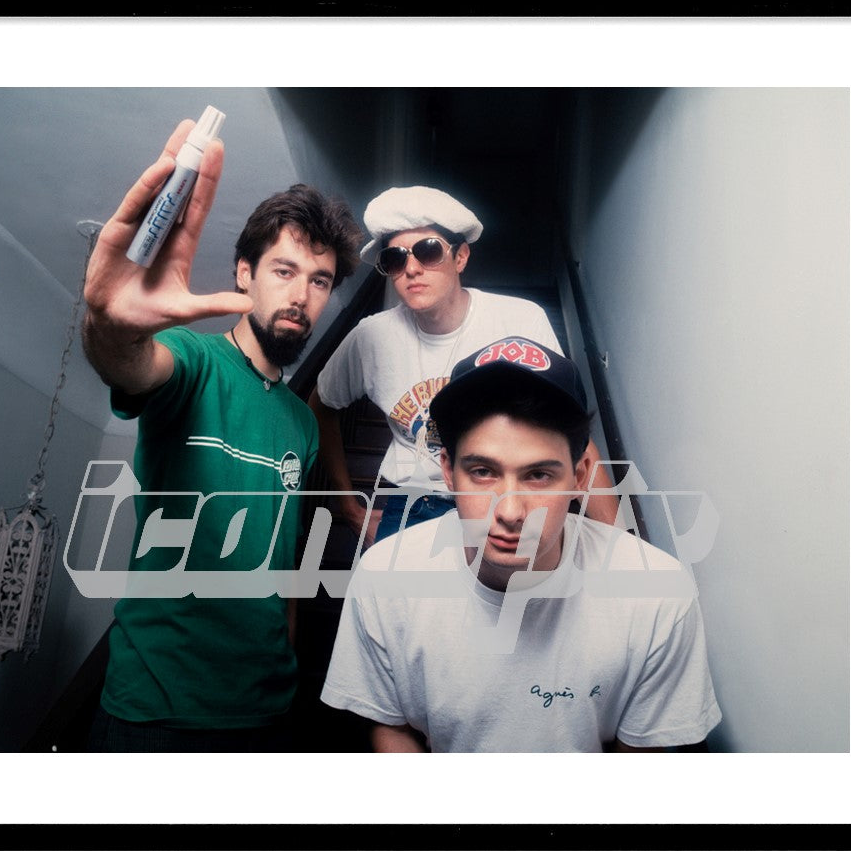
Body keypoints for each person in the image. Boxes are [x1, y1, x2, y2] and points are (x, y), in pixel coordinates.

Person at [81, 118, 363, 751]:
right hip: (154, 710)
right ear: (244, 274)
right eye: (284, 271)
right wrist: (110, 325)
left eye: (319, 281)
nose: (301, 295)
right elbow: (131, 364)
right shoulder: (192, 359)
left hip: (265, 711)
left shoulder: (300, 420)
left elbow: (284, 556)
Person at [320, 337, 722, 752]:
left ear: (581, 476)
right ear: (448, 471)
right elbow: (390, 724)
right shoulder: (386, 577)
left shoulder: (657, 595)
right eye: (482, 471)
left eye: (539, 475)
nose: (510, 511)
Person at [308, 185, 618, 548]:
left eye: (428, 251)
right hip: (409, 504)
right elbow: (321, 405)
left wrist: (619, 542)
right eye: (395, 259)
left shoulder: (519, 320)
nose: (411, 269)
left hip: (500, 500)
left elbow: (573, 433)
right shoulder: (370, 337)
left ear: (460, 257)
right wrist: (349, 507)